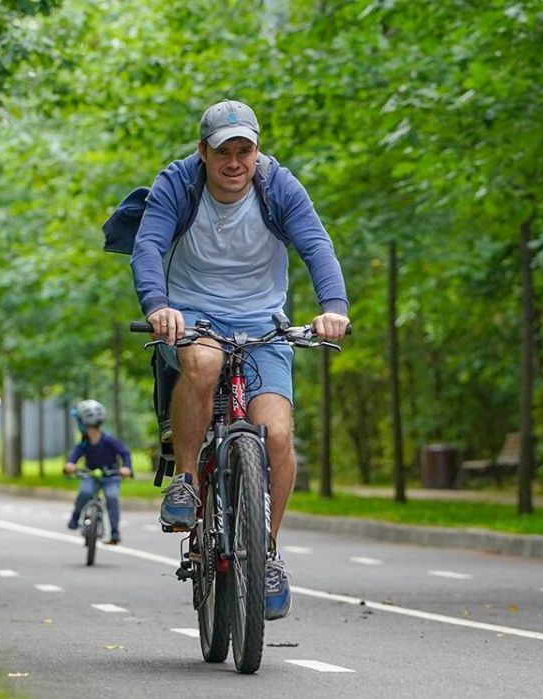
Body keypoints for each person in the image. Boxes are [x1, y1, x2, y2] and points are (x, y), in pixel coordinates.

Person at [129, 99, 351, 620]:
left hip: (262, 325)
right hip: (192, 317)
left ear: (256, 151)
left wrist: (334, 308)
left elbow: (316, 245)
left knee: (277, 435)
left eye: (244, 151)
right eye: (223, 151)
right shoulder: (178, 184)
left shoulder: (278, 186)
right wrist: (158, 307)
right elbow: (148, 246)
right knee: (203, 366)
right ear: (203, 152)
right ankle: (187, 480)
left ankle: (266, 553)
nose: (234, 163)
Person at [63, 399, 133, 545]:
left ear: (83, 423)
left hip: (110, 475)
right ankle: (75, 518)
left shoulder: (109, 441)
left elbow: (125, 453)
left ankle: (115, 533)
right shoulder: (84, 444)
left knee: (111, 497)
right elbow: (74, 456)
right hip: (90, 475)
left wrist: (126, 467)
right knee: (85, 492)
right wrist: (70, 465)